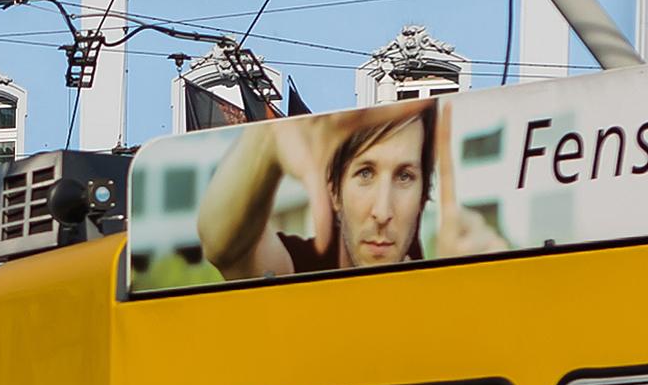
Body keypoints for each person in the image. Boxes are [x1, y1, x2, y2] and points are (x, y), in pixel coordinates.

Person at [196, 102, 508, 283]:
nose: (382, 212)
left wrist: (471, 288)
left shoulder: (441, 277)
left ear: (424, 193)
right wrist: (266, 144)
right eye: (365, 173)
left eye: (404, 176)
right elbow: (224, 247)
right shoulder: (306, 267)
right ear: (334, 190)